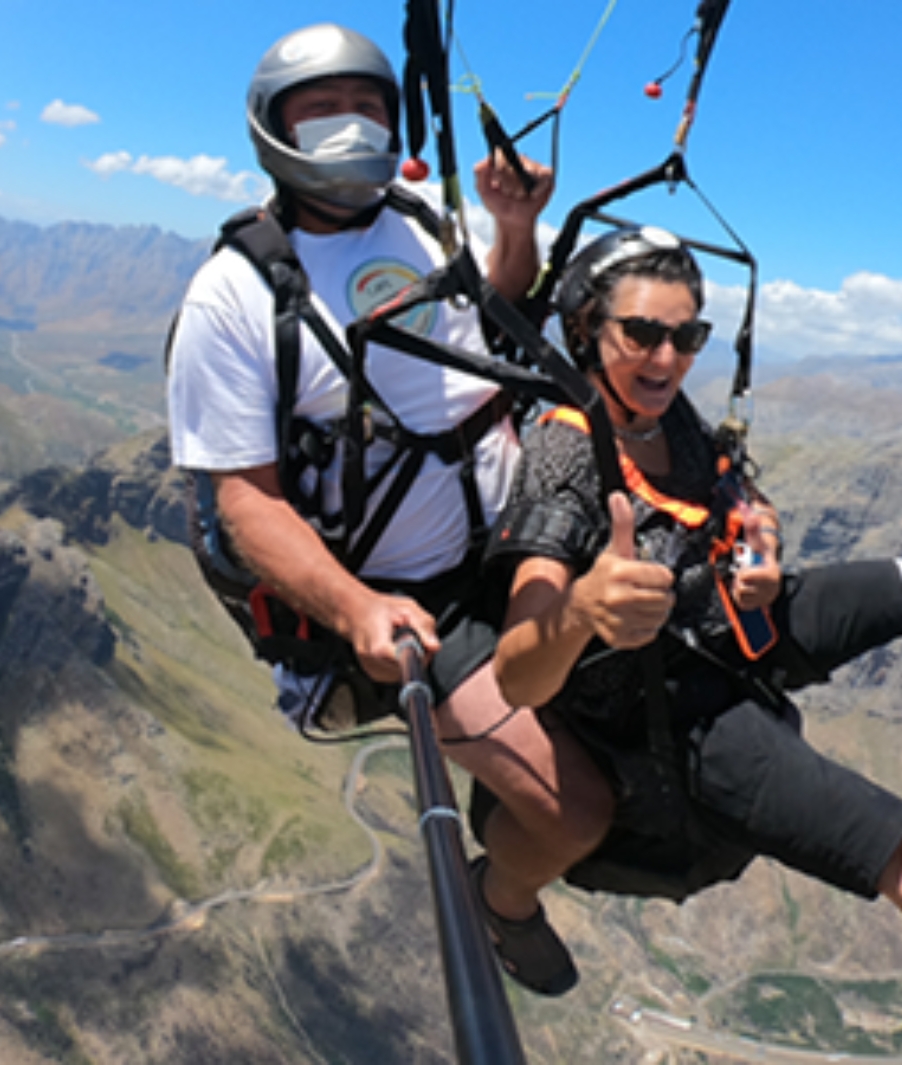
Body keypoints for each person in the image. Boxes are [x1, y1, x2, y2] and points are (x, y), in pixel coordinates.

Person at [484, 223, 902, 1005]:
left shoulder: (666, 415)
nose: (666, 357)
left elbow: (729, 488)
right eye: (642, 332)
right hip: (679, 704)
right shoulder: (562, 452)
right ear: (584, 328)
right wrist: (584, 606)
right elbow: (517, 674)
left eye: (687, 335)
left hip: (728, 617)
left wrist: (760, 532)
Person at [166, 23, 614, 997]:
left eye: (368, 107)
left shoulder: (419, 218)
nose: (350, 127)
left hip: (509, 540)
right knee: (575, 811)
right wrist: (359, 610)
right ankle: (503, 898)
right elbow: (245, 499)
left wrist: (512, 225)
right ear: (274, 130)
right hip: (416, 601)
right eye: (321, 110)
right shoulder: (236, 295)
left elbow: (485, 320)